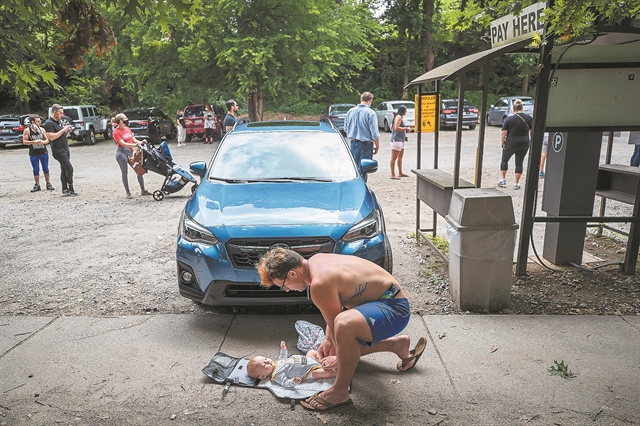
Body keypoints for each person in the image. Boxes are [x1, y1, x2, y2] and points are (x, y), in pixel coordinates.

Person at [256, 248, 427, 411]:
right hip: (386, 300)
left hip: (394, 310)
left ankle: (339, 392)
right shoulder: (317, 260)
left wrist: (339, 358)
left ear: (292, 274)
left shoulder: (319, 284)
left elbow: (339, 325)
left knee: (344, 328)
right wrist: (328, 341)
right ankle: (396, 345)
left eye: (283, 285)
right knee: (336, 340)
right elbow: (334, 318)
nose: (286, 290)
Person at [246, 340, 337, 388]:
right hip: (308, 372)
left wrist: (283, 350)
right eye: (264, 365)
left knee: (311, 352)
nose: (268, 361)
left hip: (308, 360)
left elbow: (283, 357)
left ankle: (322, 361)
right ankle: (337, 371)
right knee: (320, 373)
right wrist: (293, 382)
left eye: (265, 359)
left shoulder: (276, 363)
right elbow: (285, 383)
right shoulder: (276, 375)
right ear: (262, 376)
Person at [111, 113, 151, 199]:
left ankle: (143, 190)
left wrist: (140, 142)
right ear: (121, 121)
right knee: (125, 173)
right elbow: (123, 144)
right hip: (121, 153)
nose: (127, 119)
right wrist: (134, 145)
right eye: (125, 118)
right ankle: (128, 192)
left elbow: (134, 139)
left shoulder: (127, 129)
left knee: (138, 169)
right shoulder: (116, 132)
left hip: (129, 151)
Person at [343, 92, 380, 182]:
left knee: (354, 169)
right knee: (364, 169)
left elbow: (345, 128)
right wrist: (377, 146)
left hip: (353, 143)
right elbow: (374, 133)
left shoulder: (350, 111)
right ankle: (362, 188)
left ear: (361, 99)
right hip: (366, 144)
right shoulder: (371, 113)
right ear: (370, 101)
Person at [497, 99, 532, 190]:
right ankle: (516, 183)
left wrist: (502, 142)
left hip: (511, 142)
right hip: (524, 143)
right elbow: (531, 131)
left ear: (513, 109)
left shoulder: (509, 119)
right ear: (522, 108)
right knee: (519, 163)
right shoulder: (529, 118)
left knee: (505, 160)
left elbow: (503, 133)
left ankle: (503, 179)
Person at [44, 103, 77, 197]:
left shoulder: (58, 122)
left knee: (64, 169)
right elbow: (51, 137)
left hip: (65, 148)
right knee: (69, 169)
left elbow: (61, 136)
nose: (62, 115)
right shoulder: (49, 123)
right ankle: (70, 187)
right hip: (58, 151)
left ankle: (65, 189)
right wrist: (63, 130)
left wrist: (66, 132)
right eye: (60, 113)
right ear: (54, 112)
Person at [22, 115, 54, 192]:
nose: (40, 123)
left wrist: (43, 142)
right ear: (33, 122)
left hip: (43, 152)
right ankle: (37, 184)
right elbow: (24, 141)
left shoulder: (42, 129)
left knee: (45, 168)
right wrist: (33, 142)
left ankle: (48, 183)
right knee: (36, 169)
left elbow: (47, 140)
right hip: (34, 153)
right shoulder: (27, 130)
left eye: (40, 121)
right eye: (38, 121)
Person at [389, 105, 412, 180]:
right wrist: (406, 128)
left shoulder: (398, 117)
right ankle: (392, 174)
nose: (406, 112)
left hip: (401, 140)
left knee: (400, 157)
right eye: (405, 111)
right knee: (394, 158)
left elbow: (391, 127)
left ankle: (400, 172)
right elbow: (396, 128)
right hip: (397, 140)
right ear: (403, 111)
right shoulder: (398, 117)